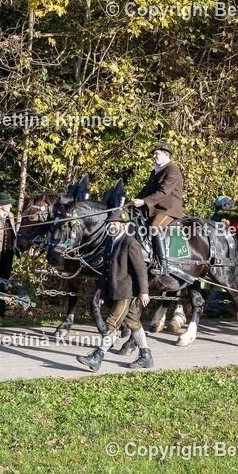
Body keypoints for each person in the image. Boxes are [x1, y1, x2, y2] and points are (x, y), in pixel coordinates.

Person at [77, 214, 151, 372]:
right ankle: (146, 356)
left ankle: (97, 356)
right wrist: (100, 290)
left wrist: (144, 292)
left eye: (115, 224)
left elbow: (141, 269)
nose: (111, 226)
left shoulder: (130, 242)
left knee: (112, 322)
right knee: (133, 323)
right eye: (109, 224)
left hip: (126, 291)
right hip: (115, 290)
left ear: (122, 225)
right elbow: (105, 271)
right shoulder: (110, 242)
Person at [130, 144, 184, 276]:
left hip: (168, 209)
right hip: (155, 209)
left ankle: (162, 265)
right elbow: (146, 190)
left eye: (157, 153)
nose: (154, 156)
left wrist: (144, 202)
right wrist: (133, 202)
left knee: (154, 228)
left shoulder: (173, 171)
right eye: (154, 154)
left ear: (166, 154)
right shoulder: (156, 171)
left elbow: (163, 193)